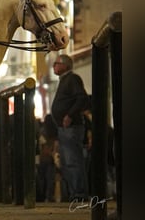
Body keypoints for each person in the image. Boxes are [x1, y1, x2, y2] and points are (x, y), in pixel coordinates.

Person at [51, 54, 90, 202]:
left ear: (66, 66)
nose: (54, 65)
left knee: (73, 161)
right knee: (68, 162)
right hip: (65, 128)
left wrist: (70, 115)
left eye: (57, 63)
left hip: (71, 127)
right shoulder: (64, 81)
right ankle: (75, 193)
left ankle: (79, 194)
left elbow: (82, 98)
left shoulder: (72, 79)